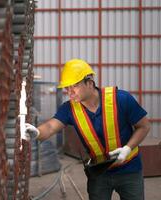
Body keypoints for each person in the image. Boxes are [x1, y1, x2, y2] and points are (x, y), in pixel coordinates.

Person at [25, 59, 150, 200]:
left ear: (89, 83)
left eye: (75, 86)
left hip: (130, 169)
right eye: (67, 88)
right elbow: (50, 127)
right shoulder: (69, 109)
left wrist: (128, 148)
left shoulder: (121, 99)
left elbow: (144, 126)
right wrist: (36, 132)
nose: (70, 92)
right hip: (99, 173)